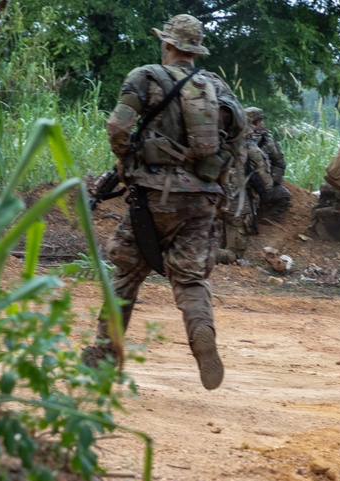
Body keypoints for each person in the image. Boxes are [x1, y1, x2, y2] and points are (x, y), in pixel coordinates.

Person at [82, 14, 247, 390]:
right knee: (190, 279)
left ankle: (105, 360)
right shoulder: (218, 86)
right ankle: (202, 332)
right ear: (195, 51)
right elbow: (240, 138)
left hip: (151, 197)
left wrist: (129, 160)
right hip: (203, 198)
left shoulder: (145, 77)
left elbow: (118, 126)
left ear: (168, 45)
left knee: (125, 275)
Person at [215, 122, 272, 265]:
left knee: (216, 239)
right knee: (235, 254)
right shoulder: (253, 151)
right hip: (239, 207)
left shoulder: (217, 146)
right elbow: (267, 184)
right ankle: (202, 254)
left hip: (215, 202)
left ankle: (199, 251)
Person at [246, 107, 291, 224]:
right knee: (284, 195)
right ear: (257, 122)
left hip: (238, 188)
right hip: (256, 188)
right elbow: (280, 164)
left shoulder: (232, 139)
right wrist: (271, 183)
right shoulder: (267, 142)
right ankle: (271, 217)